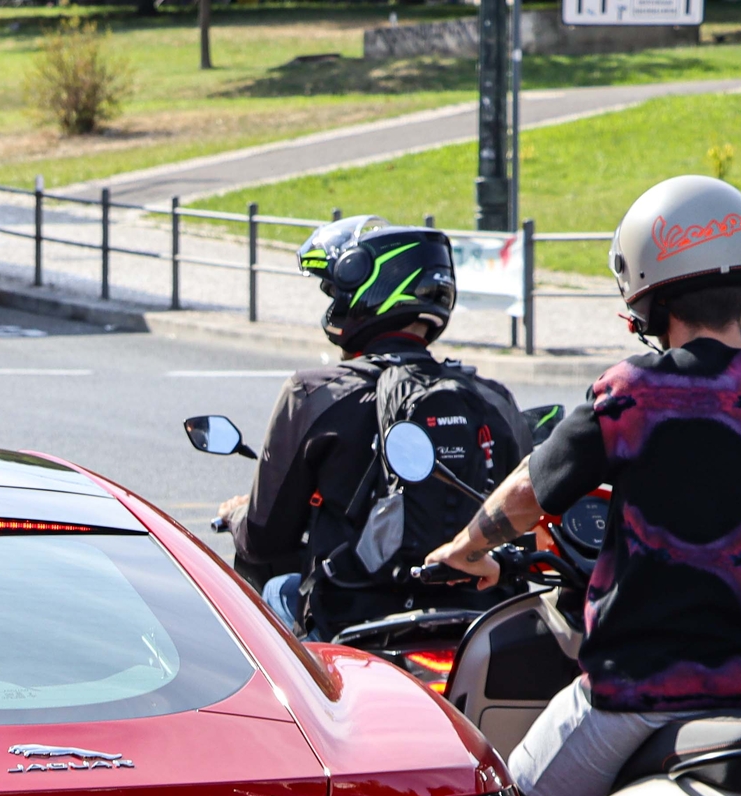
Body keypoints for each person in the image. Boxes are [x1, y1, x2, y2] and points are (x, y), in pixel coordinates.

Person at [417, 174, 741, 796]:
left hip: (649, 690)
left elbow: (531, 490)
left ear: (648, 292)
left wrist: (466, 550)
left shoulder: (635, 394)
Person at [219, 216, 528, 639]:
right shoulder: (493, 399)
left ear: (364, 287)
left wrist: (236, 514)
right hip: (475, 627)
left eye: (334, 289)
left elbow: (264, 538)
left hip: (350, 626)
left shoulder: (313, 394)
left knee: (274, 592)